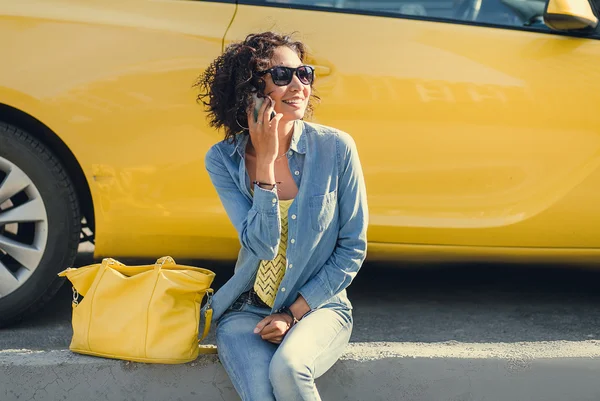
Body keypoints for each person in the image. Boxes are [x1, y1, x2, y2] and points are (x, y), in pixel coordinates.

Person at [196, 31, 368, 401]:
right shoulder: (223, 159)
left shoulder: (337, 148)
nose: (298, 85)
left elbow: (352, 248)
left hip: (321, 306)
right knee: (260, 394)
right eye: (282, 76)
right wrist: (267, 167)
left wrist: (291, 314)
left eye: (304, 74)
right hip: (248, 311)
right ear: (250, 91)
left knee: (288, 369)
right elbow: (261, 243)